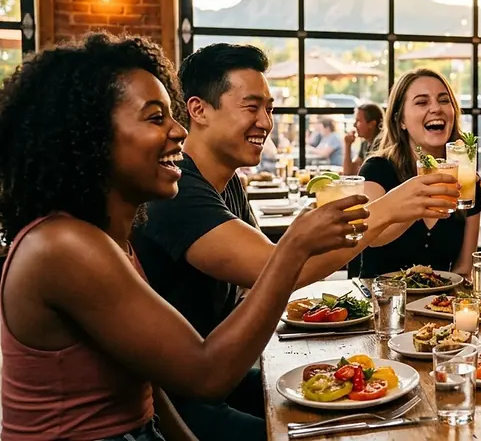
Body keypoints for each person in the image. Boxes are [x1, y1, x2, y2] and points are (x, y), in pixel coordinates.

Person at [0, 33, 365, 440]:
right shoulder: (64, 247)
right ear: (91, 136)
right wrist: (294, 245)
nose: (178, 131)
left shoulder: (102, 239)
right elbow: (206, 374)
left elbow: (148, 385)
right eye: (157, 117)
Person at [130, 44, 457, 440]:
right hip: (178, 397)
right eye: (251, 107)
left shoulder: (227, 181)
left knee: (376, 408)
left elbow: (270, 276)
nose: (265, 122)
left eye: (269, 108)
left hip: (221, 373)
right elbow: (273, 268)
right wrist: (387, 211)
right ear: (198, 110)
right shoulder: (178, 190)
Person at [352, 68, 481, 278]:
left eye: (443, 100)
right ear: (400, 120)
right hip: (382, 302)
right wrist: (422, 202)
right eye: (422, 102)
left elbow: (464, 267)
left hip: (440, 303)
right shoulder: (377, 168)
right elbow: (371, 237)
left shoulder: (465, 175)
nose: (436, 109)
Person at [343, 102, 383, 175]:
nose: (354, 125)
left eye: (358, 121)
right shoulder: (365, 143)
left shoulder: (381, 145)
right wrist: (347, 145)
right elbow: (348, 172)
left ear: (372, 124)